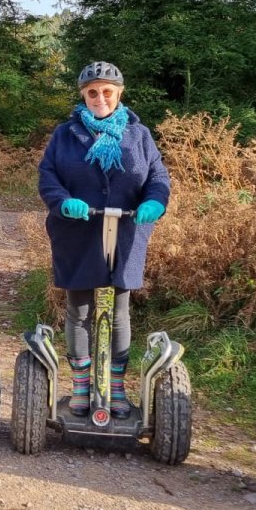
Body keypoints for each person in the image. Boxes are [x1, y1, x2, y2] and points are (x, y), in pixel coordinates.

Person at [38, 62, 171, 418]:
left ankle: (114, 385)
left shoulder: (138, 134)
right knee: (79, 309)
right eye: (92, 92)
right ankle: (82, 385)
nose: (100, 98)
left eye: (107, 92)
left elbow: (158, 174)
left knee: (119, 312)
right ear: (84, 95)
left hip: (126, 230)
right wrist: (63, 201)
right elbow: (47, 175)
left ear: (119, 94)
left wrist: (155, 201)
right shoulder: (65, 134)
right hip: (77, 231)